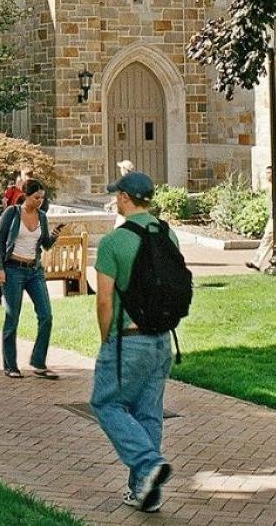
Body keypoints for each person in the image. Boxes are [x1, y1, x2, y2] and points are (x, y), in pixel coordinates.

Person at [93, 171, 180, 513]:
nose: (116, 199)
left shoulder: (114, 242)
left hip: (127, 339)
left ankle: (147, 465)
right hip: (162, 340)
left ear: (126, 198)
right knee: (148, 414)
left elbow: (103, 301)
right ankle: (146, 492)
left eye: (118, 195)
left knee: (105, 404)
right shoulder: (167, 233)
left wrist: (106, 339)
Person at [0, 180, 64, 379]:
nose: (40, 201)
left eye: (42, 197)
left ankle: (38, 362)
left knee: (46, 316)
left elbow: (46, 245)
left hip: (34, 271)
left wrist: (54, 235)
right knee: (12, 316)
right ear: (26, 195)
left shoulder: (42, 216)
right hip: (13, 270)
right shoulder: (12, 213)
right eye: (36, 197)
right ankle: (10, 365)